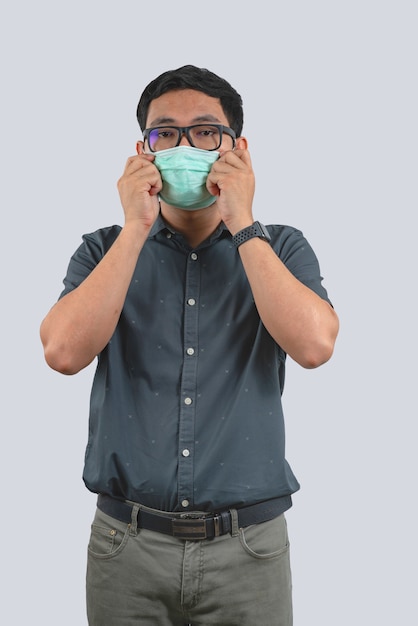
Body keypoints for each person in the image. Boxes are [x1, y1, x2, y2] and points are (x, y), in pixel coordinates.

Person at [40, 64, 339, 626]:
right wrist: (135, 227)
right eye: (165, 134)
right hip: (125, 546)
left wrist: (242, 221)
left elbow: (316, 345)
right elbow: (61, 353)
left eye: (205, 132)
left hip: (249, 549)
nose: (185, 145)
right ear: (143, 150)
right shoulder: (103, 249)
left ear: (237, 147)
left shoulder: (282, 248)